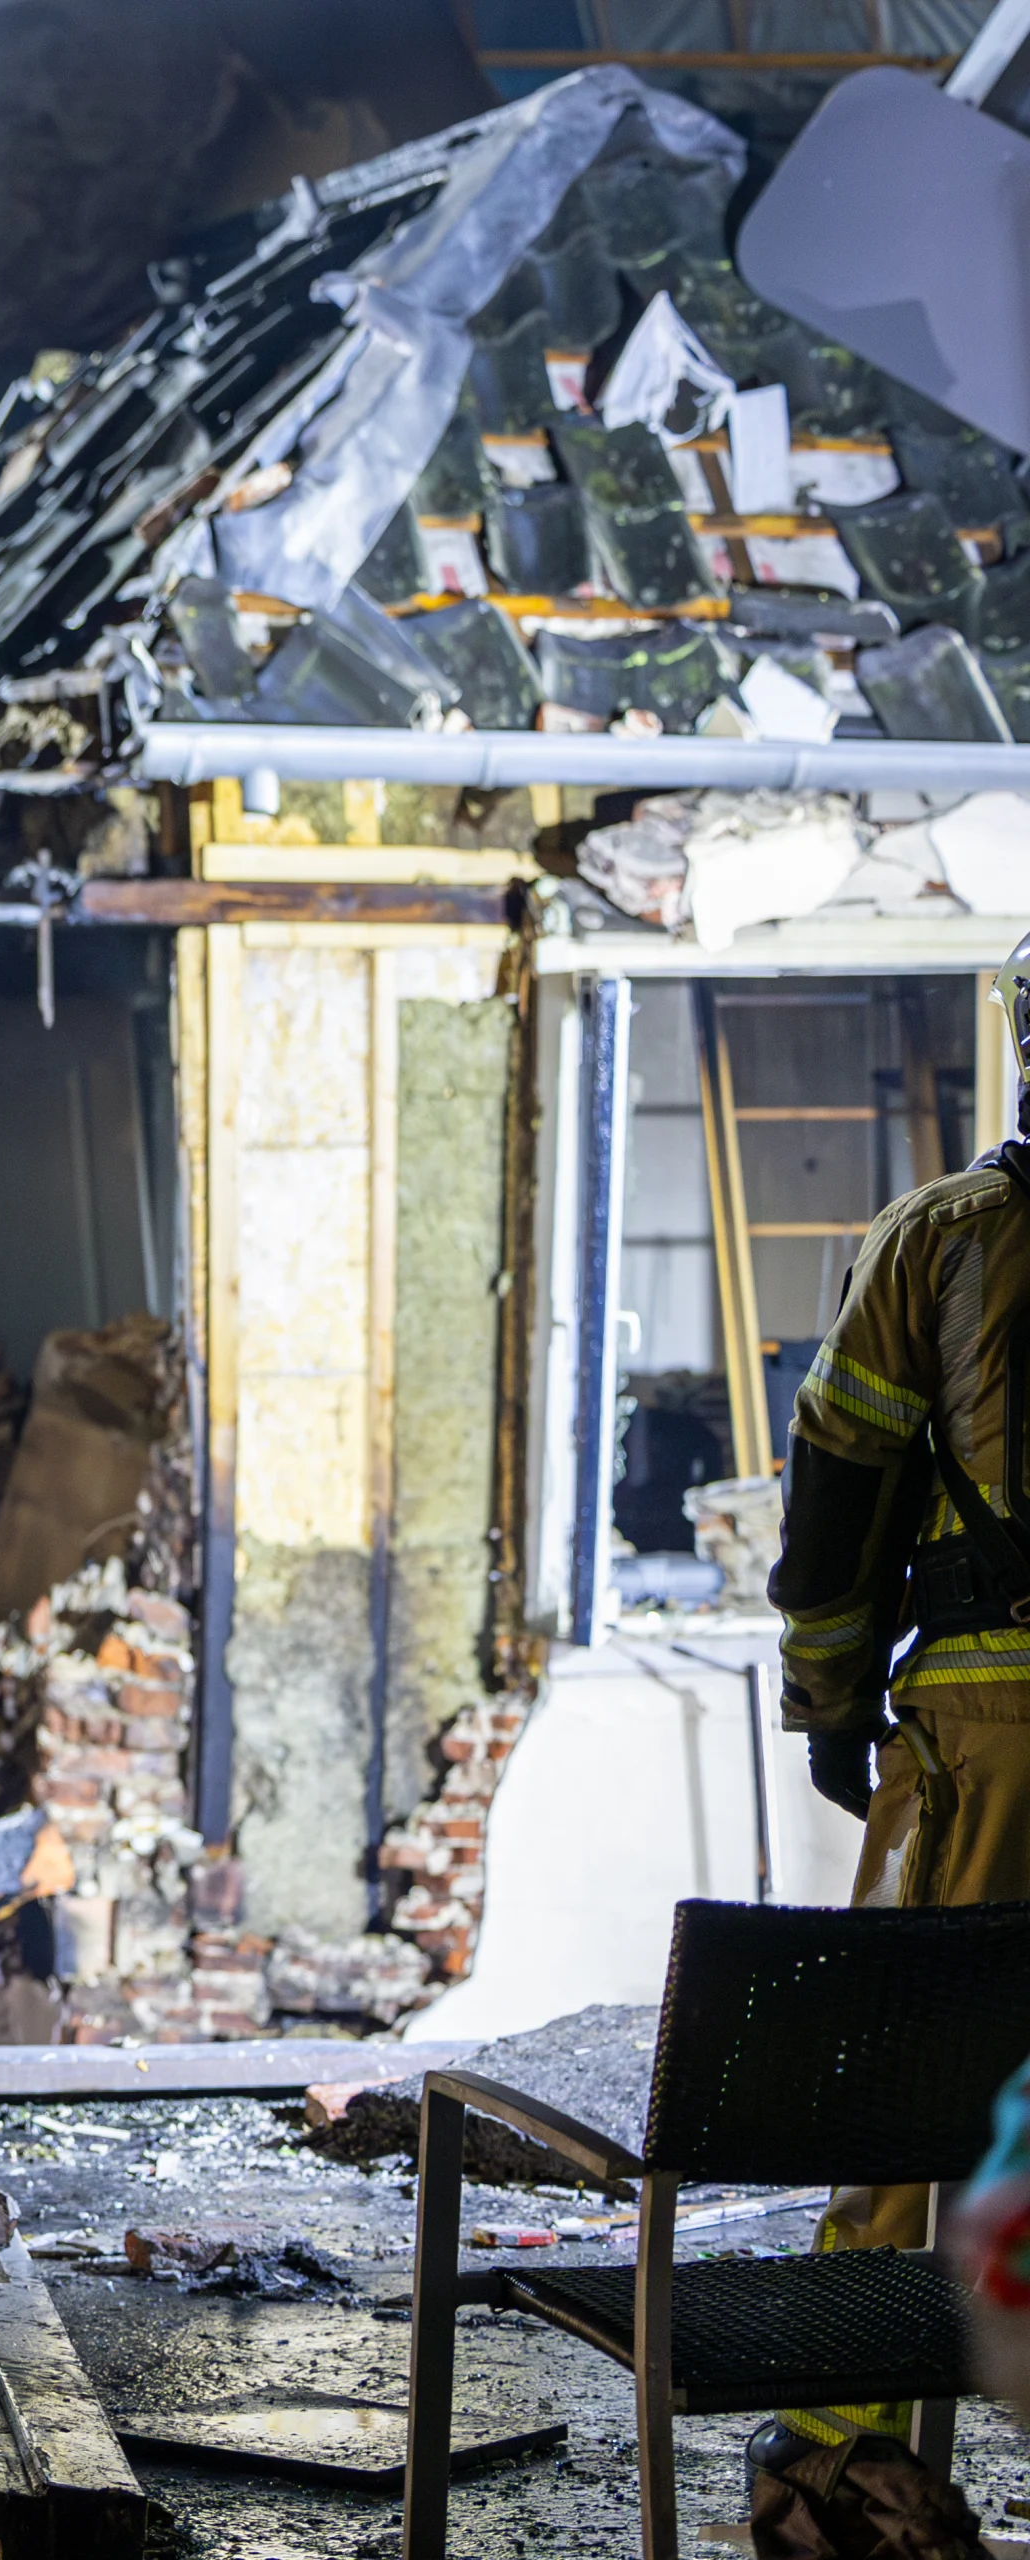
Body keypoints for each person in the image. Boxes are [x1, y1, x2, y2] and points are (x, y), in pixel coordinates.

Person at [761, 925, 1030, 2508]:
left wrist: (827, 1700)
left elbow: (840, 1488)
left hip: (993, 1726)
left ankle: (845, 2429)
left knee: (910, 2067)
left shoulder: (941, 1238)